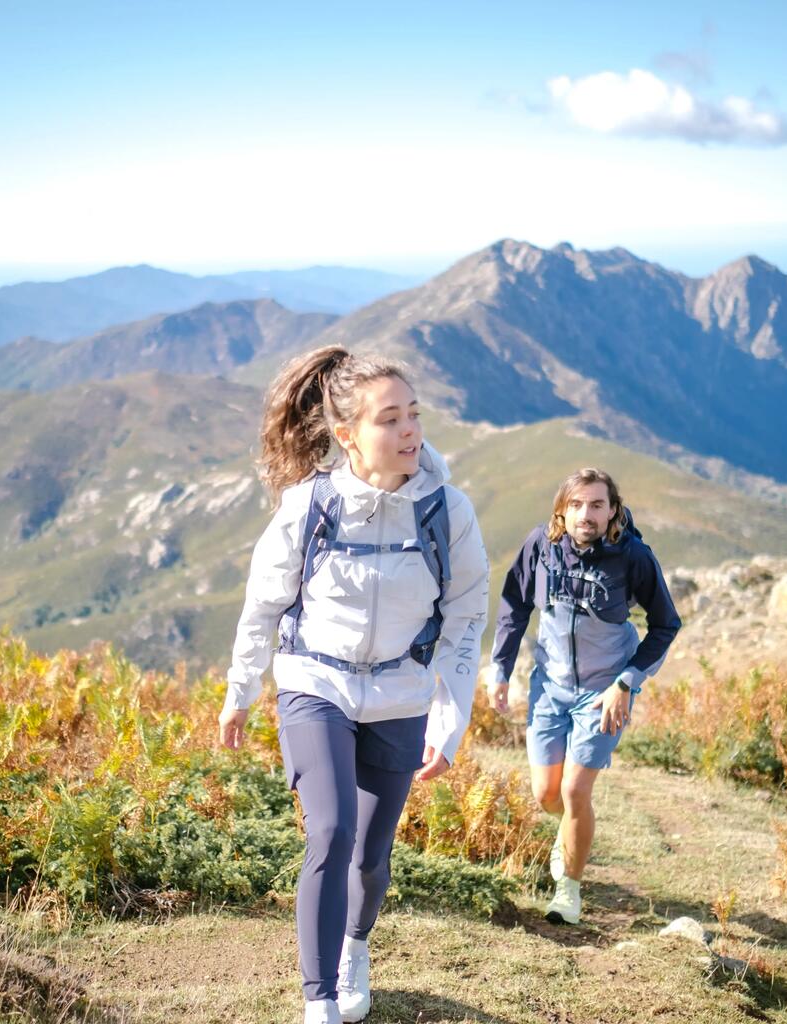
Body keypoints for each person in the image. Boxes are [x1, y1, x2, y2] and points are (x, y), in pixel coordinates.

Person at [218, 346, 489, 1024]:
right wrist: (240, 691)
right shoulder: (308, 505)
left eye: (414, 416)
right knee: (331, 831)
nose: (411, 432)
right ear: (347, 436)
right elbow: (263, 605)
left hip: (400, 696)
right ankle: (320, 1003)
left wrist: (448, 722)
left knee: (369, 859)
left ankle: (353, 947)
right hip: (316, 684)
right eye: (390, 419)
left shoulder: (447, 513)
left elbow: (465, 620)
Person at [486, 468, 680, 925]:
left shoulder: (633, 556)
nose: (585, 514)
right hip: (549, 686)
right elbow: (515, 604)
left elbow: (666, 624)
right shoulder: (542, 545)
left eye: (596, 504)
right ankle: (569, 832)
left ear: (612, 510)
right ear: (562, 508)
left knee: (575, 790)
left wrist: (626, 682)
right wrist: (500, 667)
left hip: (604, 691)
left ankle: (567, 891)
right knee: (546, 795)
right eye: (576, 504)